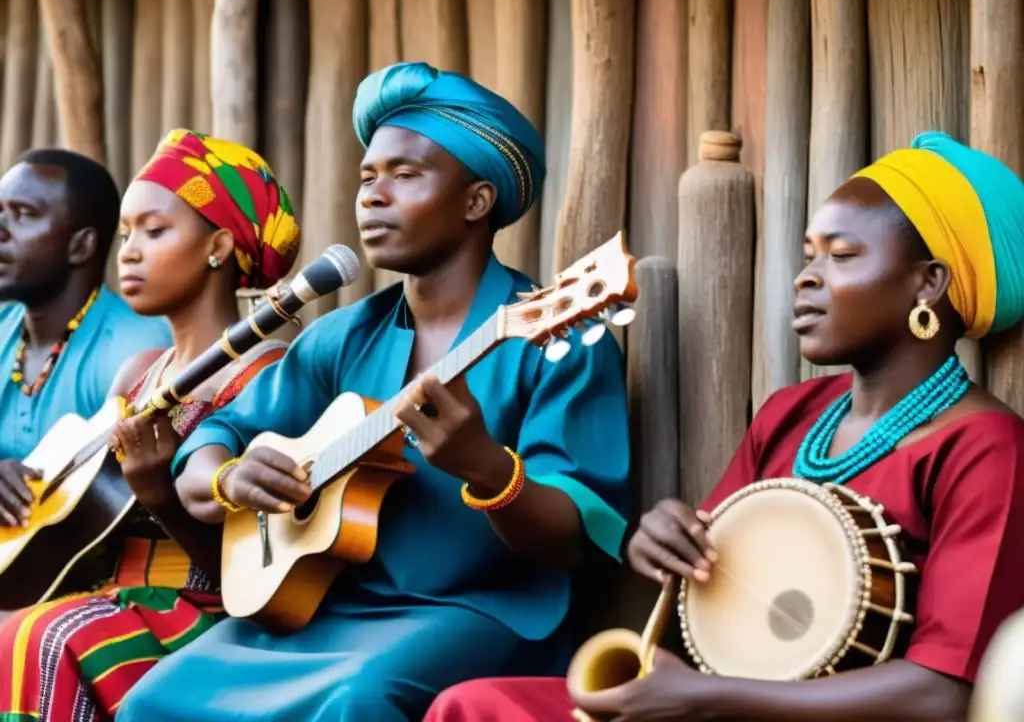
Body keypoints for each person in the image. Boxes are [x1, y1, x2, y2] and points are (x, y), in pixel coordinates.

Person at [423, 132, 1024, 722]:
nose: (806, 276)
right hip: (716, 702)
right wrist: (660, 544)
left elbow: (945, 693)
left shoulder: (985, 448)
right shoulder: (792, 415)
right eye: (809, 254)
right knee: (472, 705)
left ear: (929, 283)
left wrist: (708, 699)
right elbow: (704, 602)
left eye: (841, 257)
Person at [115, 61, 630, 722]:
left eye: (405, 175)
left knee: (362, 698)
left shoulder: (560, 341)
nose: (372, 195)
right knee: (157, 699)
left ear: (476, 202)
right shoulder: (342, 337)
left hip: (485, 615)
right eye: (367, 177)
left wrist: (487, 468)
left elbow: (573, 541)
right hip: (331, 607)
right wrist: (230, 476)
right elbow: (218, 435)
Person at [0, 131, 301, 722]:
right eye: (127, 233)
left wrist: (159, 491)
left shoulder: (270, 372)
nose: (129, 252)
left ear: (218, 246)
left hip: (210, 611)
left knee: (39, 638)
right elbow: (81, 509)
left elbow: (254, 570)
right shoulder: (139, 373)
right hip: (112, 594)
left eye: (154, 231)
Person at [0, 149, 171, 521]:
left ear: (81, 245)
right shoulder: (5, 327)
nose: (1, 228)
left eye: (24, 214)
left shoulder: (136, 351)